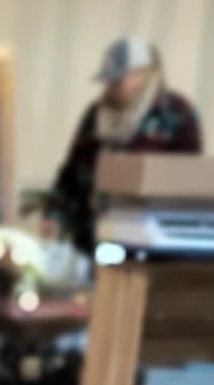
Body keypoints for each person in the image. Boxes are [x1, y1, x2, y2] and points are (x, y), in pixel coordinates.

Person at [49, 38, 203, 256]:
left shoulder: (177, 113)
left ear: (145, 73)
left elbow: (190, 182)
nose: (114, 87)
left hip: (148, 242)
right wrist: (54, 212)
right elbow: (72, 170)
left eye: (120, 79)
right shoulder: (96, 114)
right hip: (91, 238)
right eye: (110, 80)